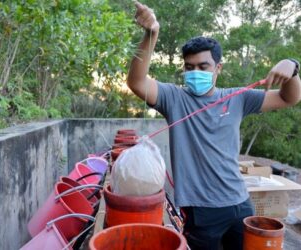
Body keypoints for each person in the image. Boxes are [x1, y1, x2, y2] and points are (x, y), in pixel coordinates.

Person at [127, 1, 301, 250]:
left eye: (203, 66)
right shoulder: (174, 98)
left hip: (240, 203)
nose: (195, 72)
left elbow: (288, 98)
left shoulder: (238, 98)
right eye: (189, 67)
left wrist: (293, 67)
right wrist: (151, 33)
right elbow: (137, 81)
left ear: (218, 68)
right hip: (200, 212)